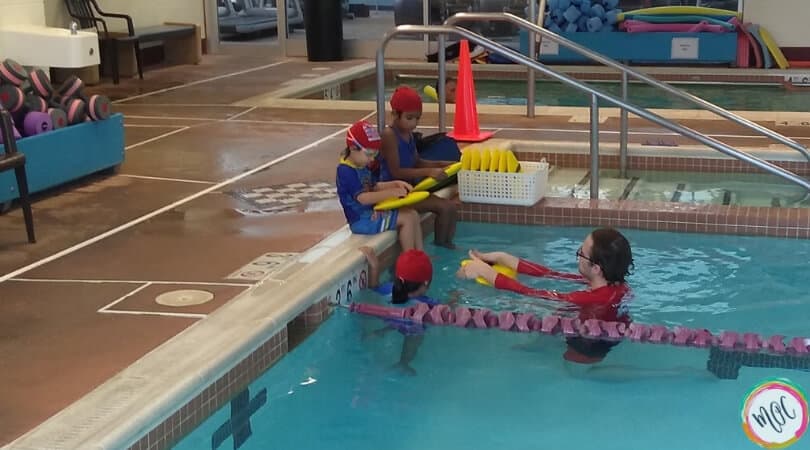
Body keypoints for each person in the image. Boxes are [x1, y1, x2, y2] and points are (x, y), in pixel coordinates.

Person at [456, 227, 634, 364]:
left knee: (575, 368)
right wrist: (502, 257)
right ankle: (539, 345)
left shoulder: (589, 298)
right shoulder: (614, 284)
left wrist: (485, 272)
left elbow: (530, 293)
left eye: (581, 253)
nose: (578, 256)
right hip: (600, 330)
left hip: (586, 351)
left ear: (596, 268)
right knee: (557, 316)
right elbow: (550, 274)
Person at [378, 86, 459, 249]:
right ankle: (442, 247)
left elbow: (417, 161)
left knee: (451, 207)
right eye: (409, 118)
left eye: (417, 118)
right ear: (394, 114)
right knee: (443, 207)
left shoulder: (407, 134)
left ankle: (446, 246)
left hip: (409, 191)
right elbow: (396, 172)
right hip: (393, 194)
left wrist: (442, 164)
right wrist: (430, 172)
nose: (414, 123)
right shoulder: (389, 135)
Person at [359, 246, 450, 375]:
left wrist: (374, 266)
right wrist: (455, 297)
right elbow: (447, 309)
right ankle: (404, 362)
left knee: (392, 322)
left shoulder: (388, 290)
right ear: (426, 283)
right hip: (410, 324)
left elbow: (373, 287)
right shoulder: (429, 305)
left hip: (388, 316)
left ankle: (379, 332)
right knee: (416, 333)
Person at [336, 120, 423, 251]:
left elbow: (374, 186)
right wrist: (392, 193)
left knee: (413, 214)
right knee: (407, 219)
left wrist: (395, 184)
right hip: (362, 221)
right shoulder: (346, 170)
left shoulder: (361, 165)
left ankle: (420, 256)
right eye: (369, 154)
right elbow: (363, 198)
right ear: (353, 148)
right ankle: (409, 262)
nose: (372, 159)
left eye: (374, 155)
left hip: (372, 213)